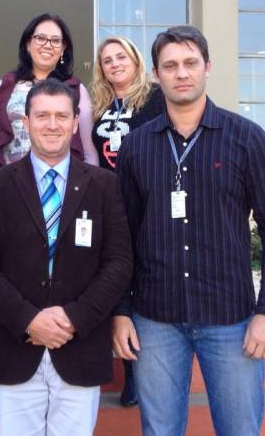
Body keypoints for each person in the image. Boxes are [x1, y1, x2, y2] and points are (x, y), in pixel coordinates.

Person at [112, 26, 265, 435]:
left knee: (240, 430)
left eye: (190, 63)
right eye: (170, 65)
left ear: (207, 67)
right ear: (157, 76)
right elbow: (121, 236)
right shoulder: (137, 146)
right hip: (154, 319)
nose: (181, 73)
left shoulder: (247, 140)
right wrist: (121, 312)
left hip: (230, 320)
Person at [0, 79, 133, 435]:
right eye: (42, 115)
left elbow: (119, 262)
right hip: (15, 345)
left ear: (76, 123)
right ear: (24, 123)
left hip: (80, 345)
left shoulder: (104, 185)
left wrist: (73, 318)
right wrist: (29, 319)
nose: (52, 124)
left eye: (62, 116)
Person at [88, 35, 165, 406]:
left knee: (138, 286)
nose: (114, 63)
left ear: (135, 61)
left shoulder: (154, 99)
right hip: (108, 204)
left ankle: (137, 376)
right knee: (111, 279)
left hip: (145, 204)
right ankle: (114, 360)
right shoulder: (101, 104)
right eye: (107, 60)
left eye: (121, 57)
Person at [0, 13, 99, 168]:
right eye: (40, 38)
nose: (48, 44)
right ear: (28, 44)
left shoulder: (75, 89)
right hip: (11, 184)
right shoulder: (6, 85)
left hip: (62, 186)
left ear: (63, 49)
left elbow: (89, 152)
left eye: (56, 40)